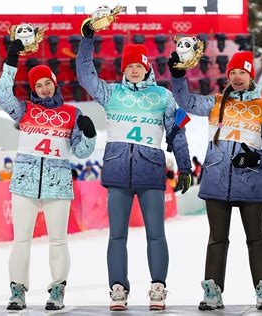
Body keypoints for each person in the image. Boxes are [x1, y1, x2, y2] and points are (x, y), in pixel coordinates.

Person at [77, 20, 192, 311]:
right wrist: (88, 38)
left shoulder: (164, 97)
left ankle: (158, 287)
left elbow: (177, 133)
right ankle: (118, 288)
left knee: (156, 233)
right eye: (129, 66)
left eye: (138, 65)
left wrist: (185, 166)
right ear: (124, 70)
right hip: (117, 173)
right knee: (117, 235)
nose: (134, 70)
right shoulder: (111, 93)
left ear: (147, 67)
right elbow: (85, 75)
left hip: (150, 171)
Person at [169, 50, 262, 310]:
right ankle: (212, 291)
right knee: (217, 238)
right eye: (232, 72)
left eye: (242, 72)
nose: (236, 76)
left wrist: (257, 159)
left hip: (251, 183)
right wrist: (178, 75)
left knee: (256, 238)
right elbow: (186, 101)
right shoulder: (215, 102)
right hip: (217, 181)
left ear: (251, 76)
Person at [0, 39, 96, 311]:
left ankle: (58, 289)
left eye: (47, 83)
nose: (43, 89)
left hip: (58, 185)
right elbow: (4, 95)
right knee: (21, 240)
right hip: (25, 184)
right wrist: (11, 61)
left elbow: (83, 151)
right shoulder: (25, 109)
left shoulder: (71, 114)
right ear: (33, 89)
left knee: (58, 239)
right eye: (37, 85)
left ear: (55, 83)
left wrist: (89, 133)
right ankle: (17, 290)